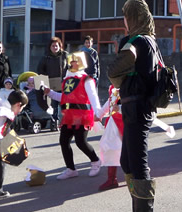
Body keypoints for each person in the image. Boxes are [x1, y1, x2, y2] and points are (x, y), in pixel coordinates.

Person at [107, 0, 159, 212]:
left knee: (137, 164)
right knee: (128, 161)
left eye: (126, 16)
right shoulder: (149, 40)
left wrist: (122, 77)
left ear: (133, 17)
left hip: (137, 107)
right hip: (136, 107)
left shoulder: (137, 41)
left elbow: (113, 71)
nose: (124, 21)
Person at [44, 52, 102, 180]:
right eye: (71, 62)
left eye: (75, 61)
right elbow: (64, 97)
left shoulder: (86, 80)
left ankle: (95, 161)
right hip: (69, 116)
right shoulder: (67, 80)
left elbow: (93, 97)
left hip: (82, 115)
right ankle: (70, 169)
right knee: (64, 141)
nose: (72, 64)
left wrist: (98, 113)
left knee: (81, 142)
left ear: (81, 63)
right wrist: (50, 93)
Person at [95, 86, 124, 191]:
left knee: (130, 150)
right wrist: (99, 114)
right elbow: (110, 102)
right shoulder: (115, 87)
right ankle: (112, 179)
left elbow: (136, 103)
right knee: (110, 148)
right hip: (114, 123)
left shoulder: (129, 83)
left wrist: (120, 108)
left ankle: (139, 173)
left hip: (125, 122)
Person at [37, 37, 68, 124]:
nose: (55, 48)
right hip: (51, 83)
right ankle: (54, 121)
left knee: (65, 103)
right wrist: (45, 80)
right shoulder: (46, 57)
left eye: (56, 46)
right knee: (54, 104)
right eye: (53, 46)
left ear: (60, 46)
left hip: (64, 83)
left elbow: (70, 68)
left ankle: (67, 120)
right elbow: (40, 70)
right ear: (50, 47)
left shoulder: (65, 55)